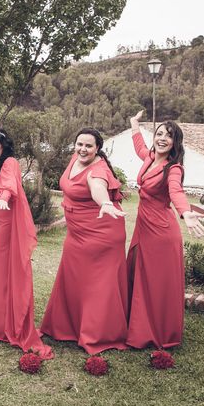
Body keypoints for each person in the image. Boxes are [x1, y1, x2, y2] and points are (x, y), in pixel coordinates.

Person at [40, 128, 129, 354]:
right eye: (79, 144)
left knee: (97, 283)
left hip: (101, 232)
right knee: (73, 275)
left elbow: (98, 187)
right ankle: (66, 327)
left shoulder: (97, 170)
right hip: (77, 232)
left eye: (89, 146)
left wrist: (105, 203)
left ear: (97, 148)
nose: (83, 149)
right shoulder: (75, 158)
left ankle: (97, 335)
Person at [126, 112, 204, 349]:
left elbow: (176, 191)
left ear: (175, 143)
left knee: (155, 282)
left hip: (161, 231)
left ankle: (156, 330)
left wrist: (185, 212)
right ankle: (136, 322)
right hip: (143, 226)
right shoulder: (150, 158)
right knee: (139, 274)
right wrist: (134, 124)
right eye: (159, 134)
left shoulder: (174, 168)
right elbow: (139, 146)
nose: (162, 138)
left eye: (168, 136)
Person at [0, 129, 53, 359]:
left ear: (4, 145)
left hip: (7, 218)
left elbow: (9, 184)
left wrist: (3, 198)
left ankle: (11, 322)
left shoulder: (10, 162)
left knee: (9, 270)